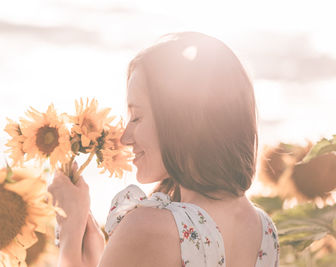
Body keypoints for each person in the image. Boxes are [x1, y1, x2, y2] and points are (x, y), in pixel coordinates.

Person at [48, 32, 280, 267]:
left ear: (181, 121)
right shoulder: (263, 231)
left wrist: (69, 234)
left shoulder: (149, 228)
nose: (125, 137)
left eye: (136, 117)